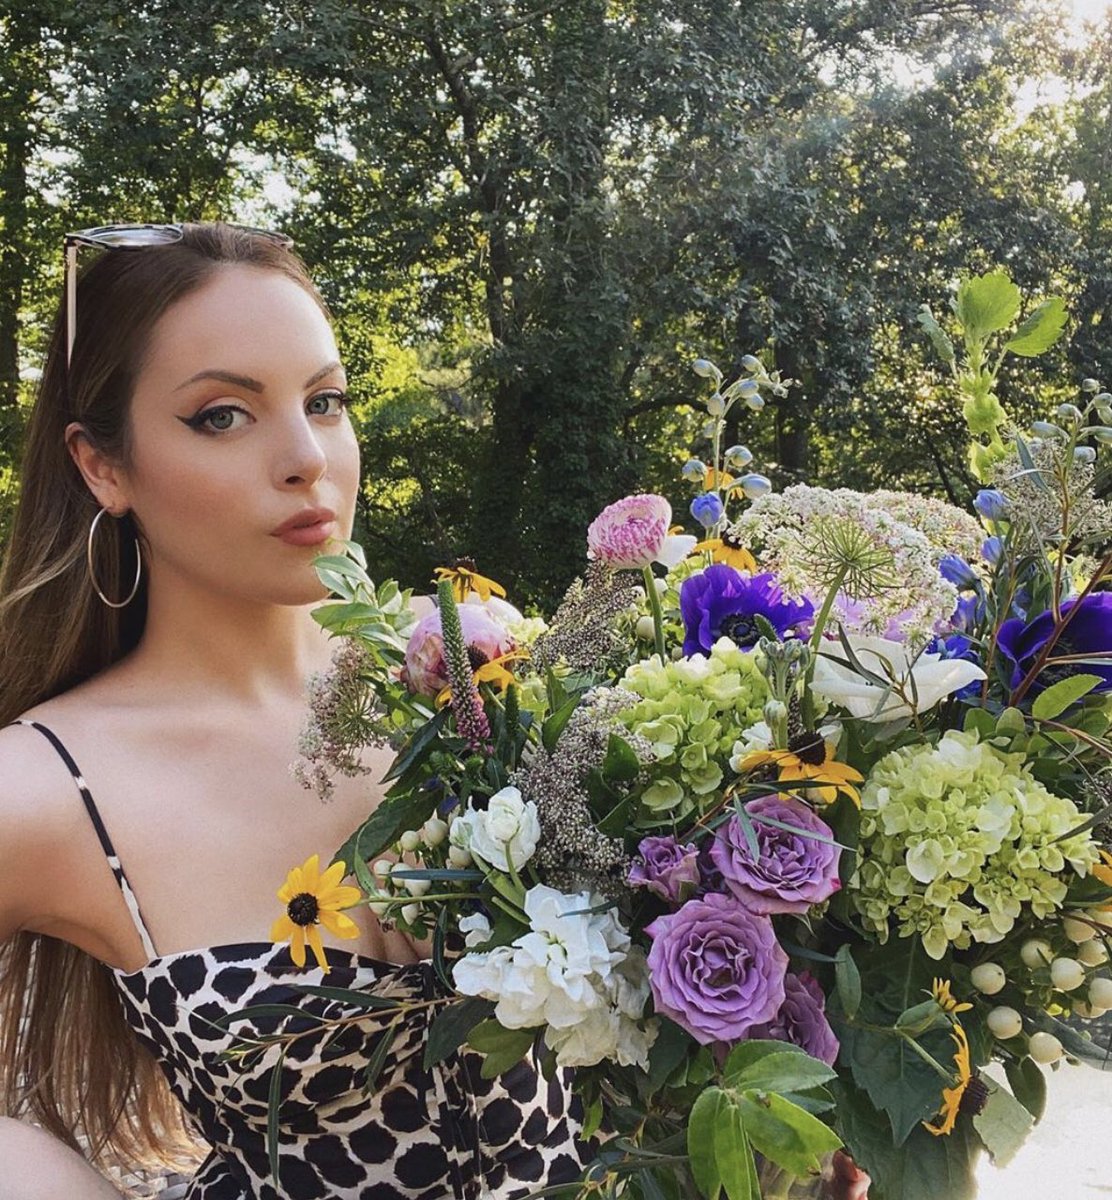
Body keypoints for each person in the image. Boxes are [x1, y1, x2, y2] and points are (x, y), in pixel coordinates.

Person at [0, 222, 594, 1199]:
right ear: (103, 466)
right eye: (222, 416)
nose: (305, 458)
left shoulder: (469, 672)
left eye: (324, 401)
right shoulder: (54, 786)